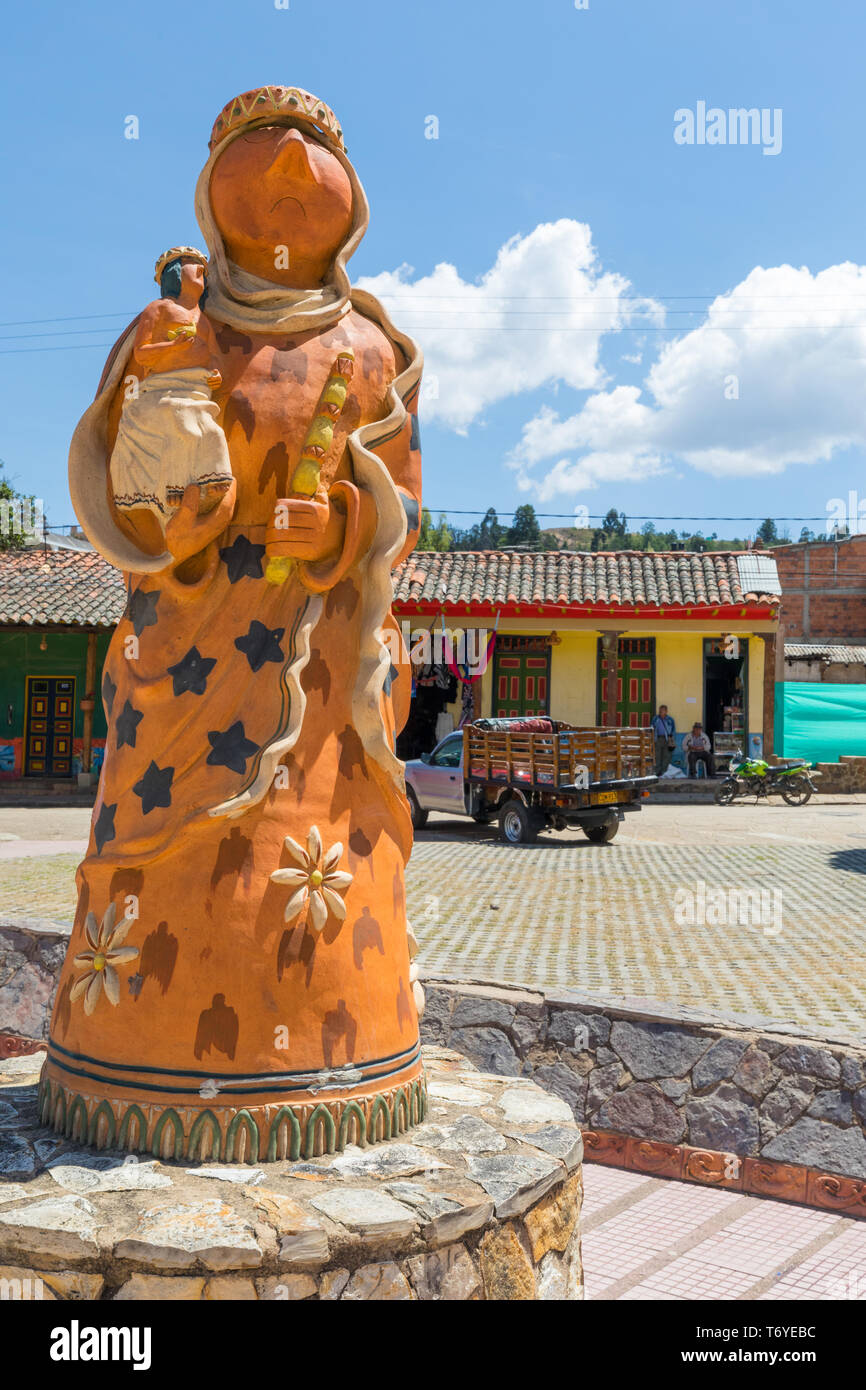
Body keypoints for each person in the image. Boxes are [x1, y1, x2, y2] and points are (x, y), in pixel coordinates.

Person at [651, 704, 676, 776]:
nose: (660, 712)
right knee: (657, 756)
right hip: (657, 738)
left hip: (667, 739)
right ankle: (657, 772)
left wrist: (672, 739)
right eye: (660, 710)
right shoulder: (655, 719)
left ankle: (664, 772)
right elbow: (652, 728)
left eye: (662, 711)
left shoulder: (670, 719)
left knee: (666, 756)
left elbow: (673, 730)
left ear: (666, 711)